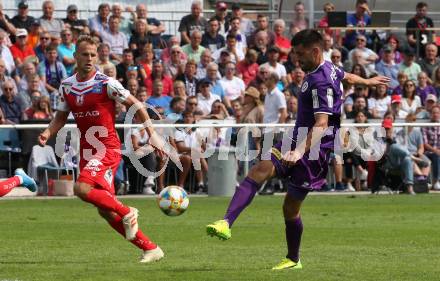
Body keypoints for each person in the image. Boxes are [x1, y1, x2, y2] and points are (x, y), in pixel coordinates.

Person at [205, 29, 390, 269]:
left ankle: (293, 259)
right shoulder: (327, 69)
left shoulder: (320, 82)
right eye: (294, 54)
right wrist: (367, 81)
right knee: (260, 169)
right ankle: (226, 222)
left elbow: (322, 124)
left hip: (314, 150)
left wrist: (299, 151)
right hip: (297, 139)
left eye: (300, 54)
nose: (296, 59)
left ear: (315, 51)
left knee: (290, 207)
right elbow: (346, 76)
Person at [37, 35, 166, 263]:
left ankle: (128, 211)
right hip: (87, 151)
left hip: (107, 147)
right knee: (105, 210)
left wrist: (152, 134)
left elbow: (136, 104)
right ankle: (150, 248)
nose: (89, 58)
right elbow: (60, 116)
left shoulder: (106, 83)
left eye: (93, 55)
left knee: (81, 189)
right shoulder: (67, 86)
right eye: (85, 54)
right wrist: (48, 133)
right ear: (75, 56)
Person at [422, 105, 440, 190]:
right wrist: (435, 151)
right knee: (436, 156)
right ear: (430, 114)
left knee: (437, 156)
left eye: (437, 113)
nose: (435, 114)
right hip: (428, 152)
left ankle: (436, 182)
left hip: (438, 151)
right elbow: (425, 144)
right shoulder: (425, 126)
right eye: (434, 113)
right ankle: (436, 181)